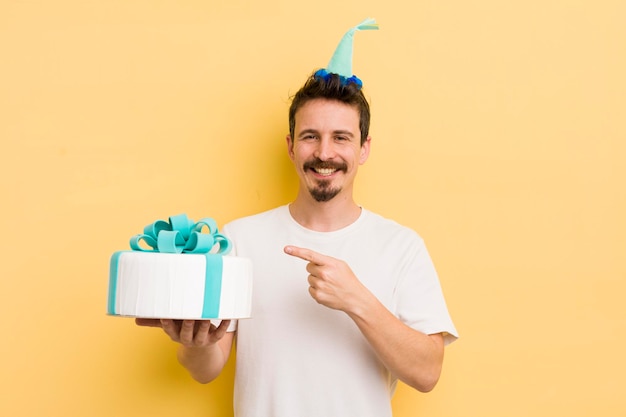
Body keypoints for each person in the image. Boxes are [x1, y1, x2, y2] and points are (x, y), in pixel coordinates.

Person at [137, 18, 457, 417]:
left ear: (363, 148)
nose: (325, 153)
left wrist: (356, 299)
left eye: (341, 137)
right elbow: (206, 369)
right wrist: (193, 341)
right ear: (291, 146)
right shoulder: (239, 239)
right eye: (311, 136)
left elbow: (427, 373)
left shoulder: (402, 246)